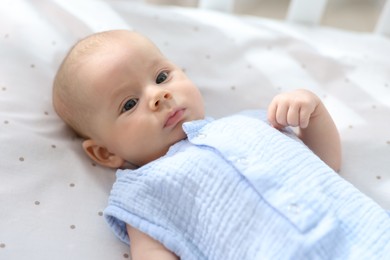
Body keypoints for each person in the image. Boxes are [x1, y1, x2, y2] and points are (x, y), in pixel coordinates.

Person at [53, 30, 390, 260]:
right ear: (106, 152)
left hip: (370, 236)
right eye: (129, 104)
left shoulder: (251, 121)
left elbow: (326, 162)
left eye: (161, 77)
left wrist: (311, 110)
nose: (159, 96)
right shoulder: (142, 191)